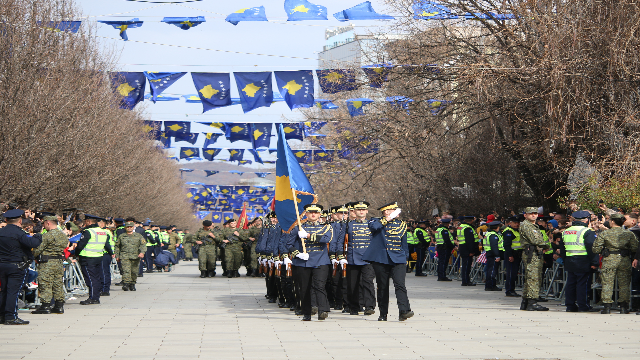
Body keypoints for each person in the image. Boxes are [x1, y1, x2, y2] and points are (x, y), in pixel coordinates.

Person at [363, 202, 413, 322]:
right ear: (386, 211)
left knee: (400, 284)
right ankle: (383, 313)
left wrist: (405, 257)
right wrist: (388, 219)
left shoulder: (401, 224)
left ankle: (404, 311)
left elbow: (404, 243)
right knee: (382, 286)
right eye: (392, 210)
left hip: (398, 258)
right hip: (382, 258)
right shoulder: (375, 221)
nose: (396, 211)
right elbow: (374, 228)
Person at [287, 204, 333, 321]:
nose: (313, 214)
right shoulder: (298, 227)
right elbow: (289, 244)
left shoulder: (326, 227)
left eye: (316, 212)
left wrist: (308, 235)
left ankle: (322, 310)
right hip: (303, 262)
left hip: (320, 260)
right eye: (310, 212)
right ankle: (306, 313)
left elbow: (326, 239)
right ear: (306, 214)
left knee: (319, 286)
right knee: (304, 288)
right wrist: (298, 254)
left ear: (319, 214)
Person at [0, 209, 42, 325]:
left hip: (2, 265)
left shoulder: (1, 232)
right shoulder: (19, 233)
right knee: (13, 292)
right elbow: (32, 243)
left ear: (6, 220)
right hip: (16, 266)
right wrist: (38, 235)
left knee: (4, 291)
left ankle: (2, 315)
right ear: (19, 220)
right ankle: (11, 316)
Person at [592, 213, 638, 314]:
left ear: (612, 221)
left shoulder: (605, 233)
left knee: (607, 283)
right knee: (624, 283)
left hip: (609, 259)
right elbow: (635, 248)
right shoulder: (629, 234)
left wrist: (604, 250)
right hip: (624, 259)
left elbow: (595, 249)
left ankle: (607, 307)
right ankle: (623, 307)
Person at [560, 210, 598, 312]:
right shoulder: (587, 231)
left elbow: (562, 250)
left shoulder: (565, 231)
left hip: (570, 260)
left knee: (571, 284)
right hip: (583, 261)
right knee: (583, 284)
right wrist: (595, 262)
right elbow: (591, 248)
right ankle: (583, 306)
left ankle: (570, 306)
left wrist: (565, 260)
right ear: (586, 220)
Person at [31, 215, 68, 315]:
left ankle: (45, 306)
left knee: (45, 284)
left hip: (47, 263)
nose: (43, 226)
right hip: (58, 262)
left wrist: (33, 254)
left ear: (48, 223)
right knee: (58, 284)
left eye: (43, 223)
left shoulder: (47, 235)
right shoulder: (63, 235)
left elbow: (38, 249)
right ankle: (59, 306)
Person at [345, 201, 376, 316]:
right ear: (355, 211)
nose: (361, 211)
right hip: (353, 257)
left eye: (363, 209)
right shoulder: (349, 224)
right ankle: (354, 307)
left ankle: (369, 306)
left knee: (368, 282)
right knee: (353, 283)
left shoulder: (372, 224)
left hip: (368, 258)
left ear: (367, 211)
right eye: (359, 210)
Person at [75, 214, 113, 305]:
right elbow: (106, 244)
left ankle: (93, 298)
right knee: (97, 278)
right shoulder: (103, 231)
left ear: (88, 221)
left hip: (87, 258)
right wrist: (111, 253)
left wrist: (76, 254)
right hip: (99, 257)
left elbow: (81, 245)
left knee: (90, 279)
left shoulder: (88, 231)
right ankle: (95, 296)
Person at [519, 207, 549, 311]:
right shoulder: (527, 225)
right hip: (532, 253)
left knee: (531, 277)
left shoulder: (532, 225)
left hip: (535, 253)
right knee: (533, 277)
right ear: (525, 215)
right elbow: (535, 240)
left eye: (535, 213)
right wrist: (547, 245)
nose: (533, 215)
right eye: (531, 213)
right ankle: (532, 302)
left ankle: (526, 302)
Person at [114, 222, 146, 291]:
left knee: (134, 271)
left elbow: (143, 245)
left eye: (131, 227)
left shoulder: (138, 236)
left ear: (133, 227)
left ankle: (132, 284)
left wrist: (142, 253)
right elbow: (117, 246)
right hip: (124, 256)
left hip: (135, 256)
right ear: (125, 227)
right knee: (126, 270)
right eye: (128, 227)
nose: (129, 228)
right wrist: (117, 255)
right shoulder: (121, 236)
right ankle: (126, 284)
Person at [502, 216, 523, 297]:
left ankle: (512, 289)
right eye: (515, 223)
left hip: (517, 254)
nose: (517, 224)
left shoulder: (517, 231)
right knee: (511, 273)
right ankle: (509, 290)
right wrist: (510, 255)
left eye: (518, 223)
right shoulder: (508, 231)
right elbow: (507, 245)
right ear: (510, 223)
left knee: (514, 273)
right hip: (511, 254)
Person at [457, 216, 479, 286]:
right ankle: (466, 281)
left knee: (465, 265)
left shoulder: (461, 226)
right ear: (471, 220)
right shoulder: (467, 228)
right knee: (467, 266)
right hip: (467, 248)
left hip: (463, 247)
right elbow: (470, 241)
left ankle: (465, 280)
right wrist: (472, 251)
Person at [483, 221, 503, 291]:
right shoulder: (493, 235)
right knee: (492, 271)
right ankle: (490, 286)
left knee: (490, 270)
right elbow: (494, 246)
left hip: (490, 254)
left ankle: (490, 285)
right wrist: (497, 256)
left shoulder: (488, 234)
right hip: (493, 255)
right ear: (497, 228)